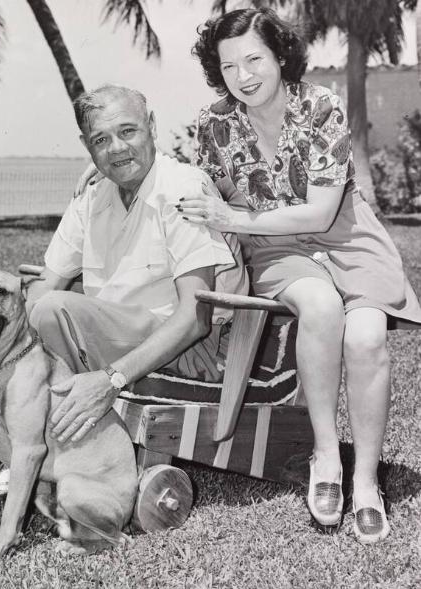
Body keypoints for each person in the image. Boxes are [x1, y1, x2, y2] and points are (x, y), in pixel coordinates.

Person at [176, 7, 421, 544]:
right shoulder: (212, 124)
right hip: (276, 245)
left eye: (254, 59)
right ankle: (328, 457)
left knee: (367, 334)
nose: (244, 75)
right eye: (229, 65)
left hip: (345, 234)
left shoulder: (322, 107)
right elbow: (201, 192)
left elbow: (320, 214)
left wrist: (233, 218)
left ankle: (365, 482)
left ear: (280, 56)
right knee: (322, 306)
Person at [0, 84, 247, 485]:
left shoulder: (180, 188)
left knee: (52, 309)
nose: (117, 149)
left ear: (151, 126)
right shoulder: (94, 195)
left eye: (128, 132)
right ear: (86, 146)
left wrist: (112, 379)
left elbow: (194, 319)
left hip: (187, 347)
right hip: (107, 333)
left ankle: (34, 452)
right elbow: (44, 284)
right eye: (101, 140)